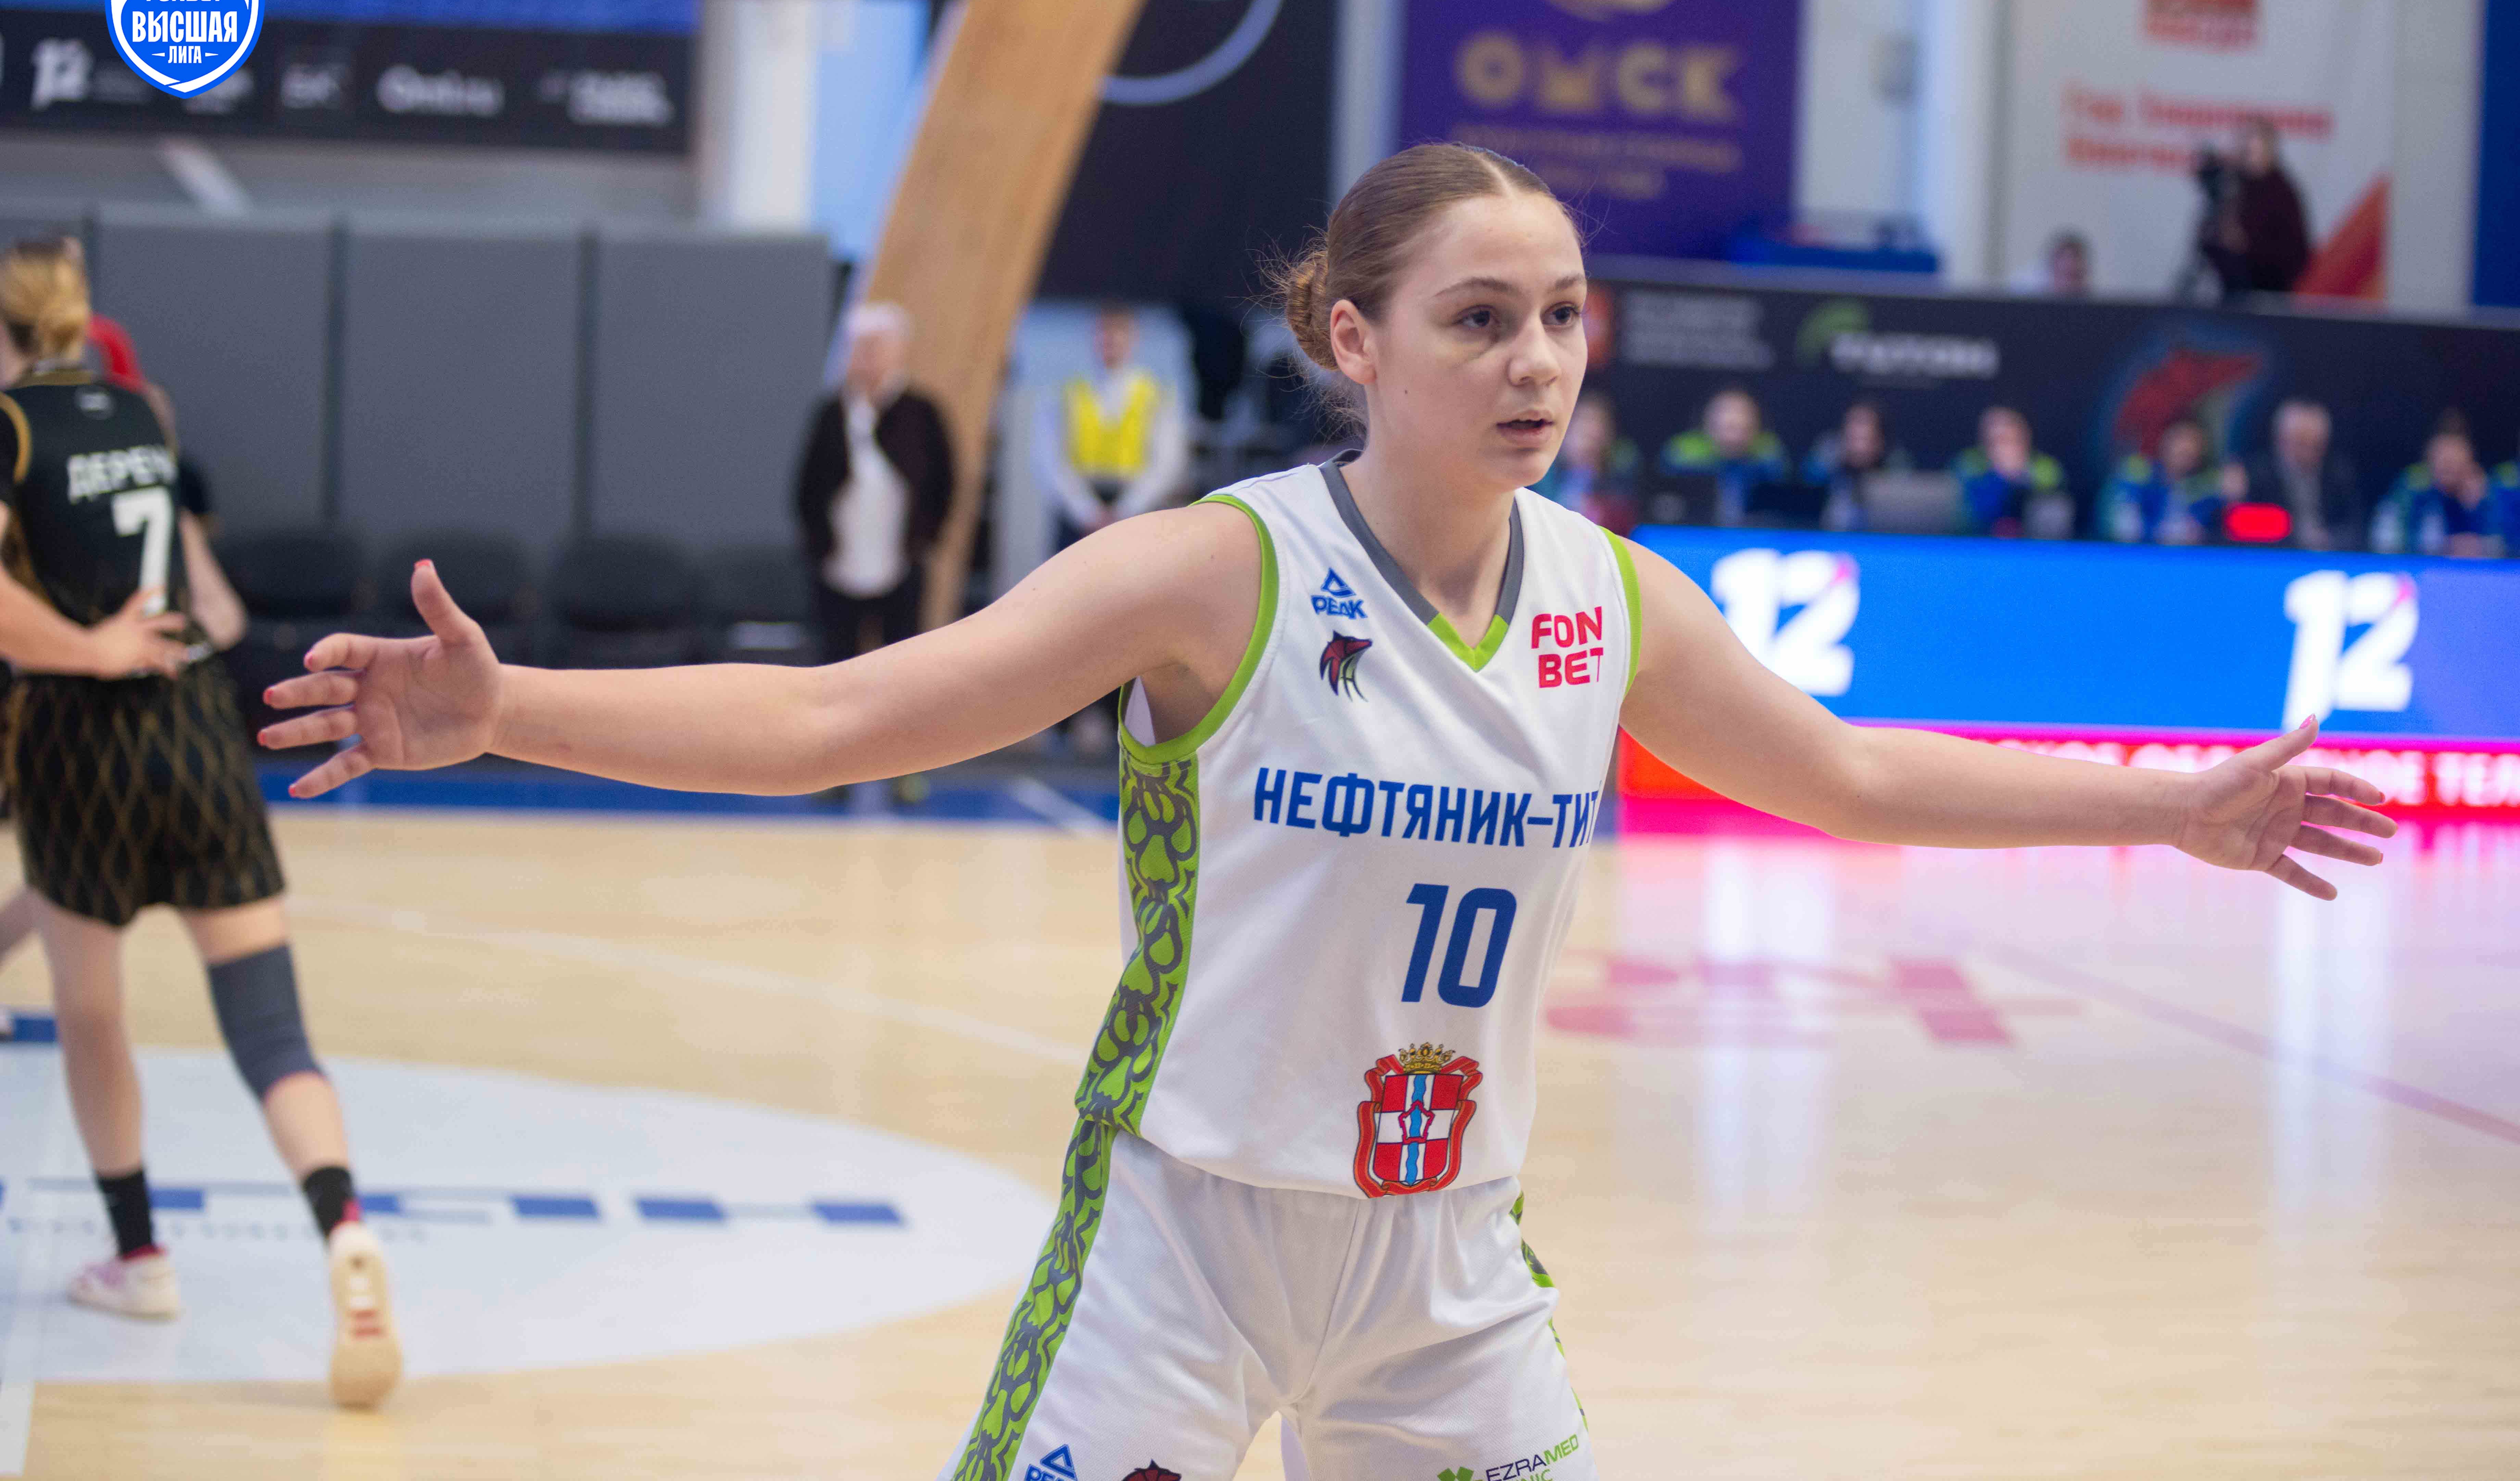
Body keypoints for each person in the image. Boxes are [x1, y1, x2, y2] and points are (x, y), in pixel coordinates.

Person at [260, 144, 2393, 1480]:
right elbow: (839, 716)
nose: (1536, 357)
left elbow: (1844, 771)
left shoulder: (1614, 598)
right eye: (1482, 318)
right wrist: (508, 708)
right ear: (1355, 339)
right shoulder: (1220, 570)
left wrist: (2171, 804)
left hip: (1446, 1258)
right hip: (1182, 1238)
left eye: (1561, 317)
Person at [0, 237, 400, 1408]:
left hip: (82, 739)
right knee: (271, 1030)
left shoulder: (8, 426)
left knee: (92, 1013)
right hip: (196, 725)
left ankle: (140, 1258)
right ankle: (343, 1224)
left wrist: (89, 649)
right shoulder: (145, 411)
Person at [794, 303, 955, 800]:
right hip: (839, 563)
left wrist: (923, 540)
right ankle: (832, 771)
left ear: (898, 351)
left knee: (903, 673)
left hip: (900, 562)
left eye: (875, 347)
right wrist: (819, 546)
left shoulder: (922, 412)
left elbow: (944, 483)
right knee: (835, 671)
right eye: (858, 347)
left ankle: (904, 768)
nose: (865, 357)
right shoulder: (831, 413)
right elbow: (806, 488)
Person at [1033, 303, 1191, 550]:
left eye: (1119, 332)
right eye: (1104, 332)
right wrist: (1086, 512)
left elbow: (1167, 463)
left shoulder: (1158, 395)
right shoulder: (1065, 392)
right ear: (1093, 336)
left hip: (1135, 508)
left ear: (1134, 339)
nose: (1111, 340)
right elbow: (1048, 459)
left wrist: (1126, 510)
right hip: (1078, 512)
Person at [2200, 117, 2311, 300]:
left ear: (2269, 146)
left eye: (2252, 139)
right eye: (2242, 139)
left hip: (2270, 293)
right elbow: (2209, 239)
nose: (2245, 146)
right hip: (2232, 293)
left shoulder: (2281, 191)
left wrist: (2247, 245)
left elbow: (2295, 252)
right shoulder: (2234, 185)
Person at [2236, 398, 2364, 551]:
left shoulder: (2338, 473)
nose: (2308, 454)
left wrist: (2329, 539)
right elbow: (2242, 524)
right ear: (2282, 441)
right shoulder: (2257, 474)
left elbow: (2355, 526)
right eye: (2301, 444)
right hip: (2276, 555)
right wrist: (2295, 534)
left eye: (2316, 446)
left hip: (2328, 556)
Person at [2371, 417, 2505, 557]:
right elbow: (2384, 540)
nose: (2448, 465)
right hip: (2419, 565)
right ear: (2429, 457)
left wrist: (2476, 509)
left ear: (2469, 460)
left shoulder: (2485, 489)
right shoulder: (2413, 486)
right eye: (2442, 456)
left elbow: (2502, 545)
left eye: (2455, 457)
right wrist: (2443, 547)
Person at [1659, 386, 1786, 526]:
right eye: (1729, 427)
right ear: (1707, 422)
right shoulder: (1684, 453)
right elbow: (1665, 502)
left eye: (1743, 428)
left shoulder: (1768, 454)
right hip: (1694, 531)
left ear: (1757, 425)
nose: (1734, 437)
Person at [2100, 416, 2224, 545]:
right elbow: (2123, 528)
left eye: (2194, 442)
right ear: (2164, 440)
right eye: (2180, 438)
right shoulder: (2137, 473)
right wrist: (2162, 532)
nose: (2186, 447)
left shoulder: (2208, 488)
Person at [1951, 405, 2070, 536]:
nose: (2001, 448)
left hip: (2032, 536)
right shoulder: (1970, 462)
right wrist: (1995, 475)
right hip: (1979, 531)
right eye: (1995, 441)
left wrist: (2020, 475)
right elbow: (1961, 488)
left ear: (2024, 439)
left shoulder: (2044, 466)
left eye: (2008, 440)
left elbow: (2053, 492)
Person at [1530, 390, 1637, 533]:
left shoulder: (1619, 487)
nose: (1591, 432)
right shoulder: (1540, 477)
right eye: (1583, 424)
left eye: (1598, 425)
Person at [1804, 398, 1911, 532]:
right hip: (1830, 537)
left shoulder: (1895, 464)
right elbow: (1805, 488)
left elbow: (1907, 508)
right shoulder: (1829, 457)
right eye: (1853, 439)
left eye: (1865, 439)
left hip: (1881, 539)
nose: (1858, 448)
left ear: (1881, 441)